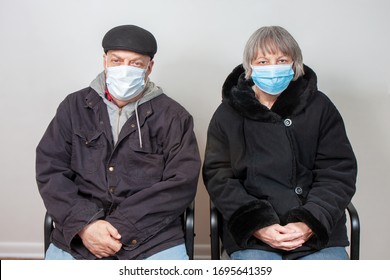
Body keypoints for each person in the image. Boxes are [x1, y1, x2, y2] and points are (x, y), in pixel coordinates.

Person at [36, 25, 201, 260]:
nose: (125, 69)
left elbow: (182, 182)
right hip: (79, 234)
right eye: (117, 60)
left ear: (149, 66)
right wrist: (87, 225)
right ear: (105, 61)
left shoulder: (175, 116)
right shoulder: (72, 107)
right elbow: (50, 170)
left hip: (152, 238)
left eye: (135, 63)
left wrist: (121, 227)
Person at [202, 26, 357, 260]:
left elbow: (337, 172)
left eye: (282, 60)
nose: (273, 68)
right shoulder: (228, 113)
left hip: (316, 230)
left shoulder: (320, 107)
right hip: (253, 234)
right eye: (263, 61)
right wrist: (258, 224)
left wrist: (308, 222)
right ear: (250, 67)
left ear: (295, 64)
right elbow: (219, 177)